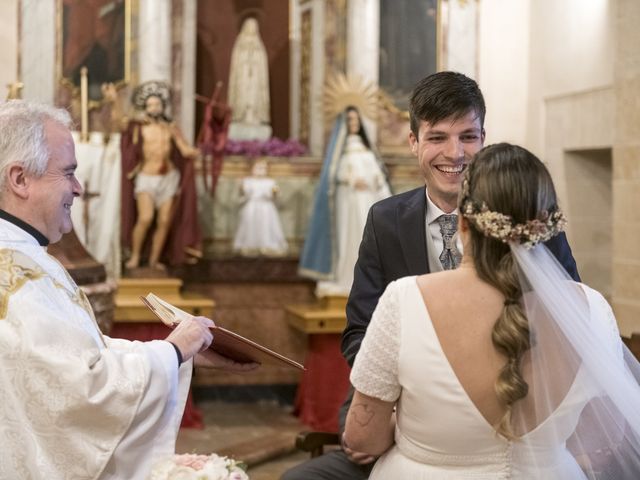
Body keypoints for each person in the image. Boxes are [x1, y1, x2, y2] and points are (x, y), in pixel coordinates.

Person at [283, 71, 579, 480]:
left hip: (514, 411)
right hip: (403, 413)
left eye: (468, 137)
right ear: (413, 142)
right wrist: (397, 395)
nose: (455, 153)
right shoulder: (385, 221)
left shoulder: (532, 221)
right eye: (437, 137)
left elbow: (567, 321)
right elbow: (358, 332)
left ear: (484, 138)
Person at [344, 143, 640, 478]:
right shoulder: (593, 310)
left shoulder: (405, 299)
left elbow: (363, 437)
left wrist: (413, 424)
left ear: (463, 224)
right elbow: (607, 433)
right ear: (545, 226)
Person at [0, 100, 257, 479]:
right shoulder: (16, 274)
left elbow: (71, 356)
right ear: (20, 179)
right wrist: (171, 351)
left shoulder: (26, 257)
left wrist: (183, 355)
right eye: (67, 173)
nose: (78, 187)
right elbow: (79, 392)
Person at [299, 106, 391, 297]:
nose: (354, 123)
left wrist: (376, 181)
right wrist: (349, 180)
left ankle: (368, 279)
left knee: (367, 239)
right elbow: (334, 176)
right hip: (348, 202)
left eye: (356, 120)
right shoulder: (341, 151)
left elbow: (378, 174)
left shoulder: (367, 149)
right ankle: (347, 277)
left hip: (367, 201)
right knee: (349, 239)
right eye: (350, 120)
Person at [114, 80, 202, 270]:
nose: (154, 108)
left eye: (157, 104)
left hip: (168, 178)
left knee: (164, 221)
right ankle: (135, 256)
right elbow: (119, 121)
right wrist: (115, 100)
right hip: (147, 177)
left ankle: (154, 260)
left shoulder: (171, 128)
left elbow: (184, 149)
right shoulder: (139, 127)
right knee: (145, 218)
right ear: (145, 107)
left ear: (163, 106)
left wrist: (195, 151)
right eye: (151, 104)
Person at [227, 17, 272, 141]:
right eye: (250, 26)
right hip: (243, 80)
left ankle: (254, 119)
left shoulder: (259, 47)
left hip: (255, 81)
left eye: (254, 27)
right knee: (242, 97)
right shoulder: (239, 46)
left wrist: (254, 65)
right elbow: (235, 68)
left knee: (254, 98)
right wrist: (245, 64)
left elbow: (263, 69)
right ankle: (241, 118)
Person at [233, 159, 288, 256]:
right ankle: (250, 246)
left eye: (263, 168)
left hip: (267, 208)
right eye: (258, 168)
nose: (261, 170)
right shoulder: (247, 181)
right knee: (250, 225)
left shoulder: (270, 182)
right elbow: (244, 194)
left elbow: (275, 194)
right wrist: (241, 188)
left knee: (267, 225)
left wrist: (275, 193)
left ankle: (268, 245)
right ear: (252, 169)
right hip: (252, 207)